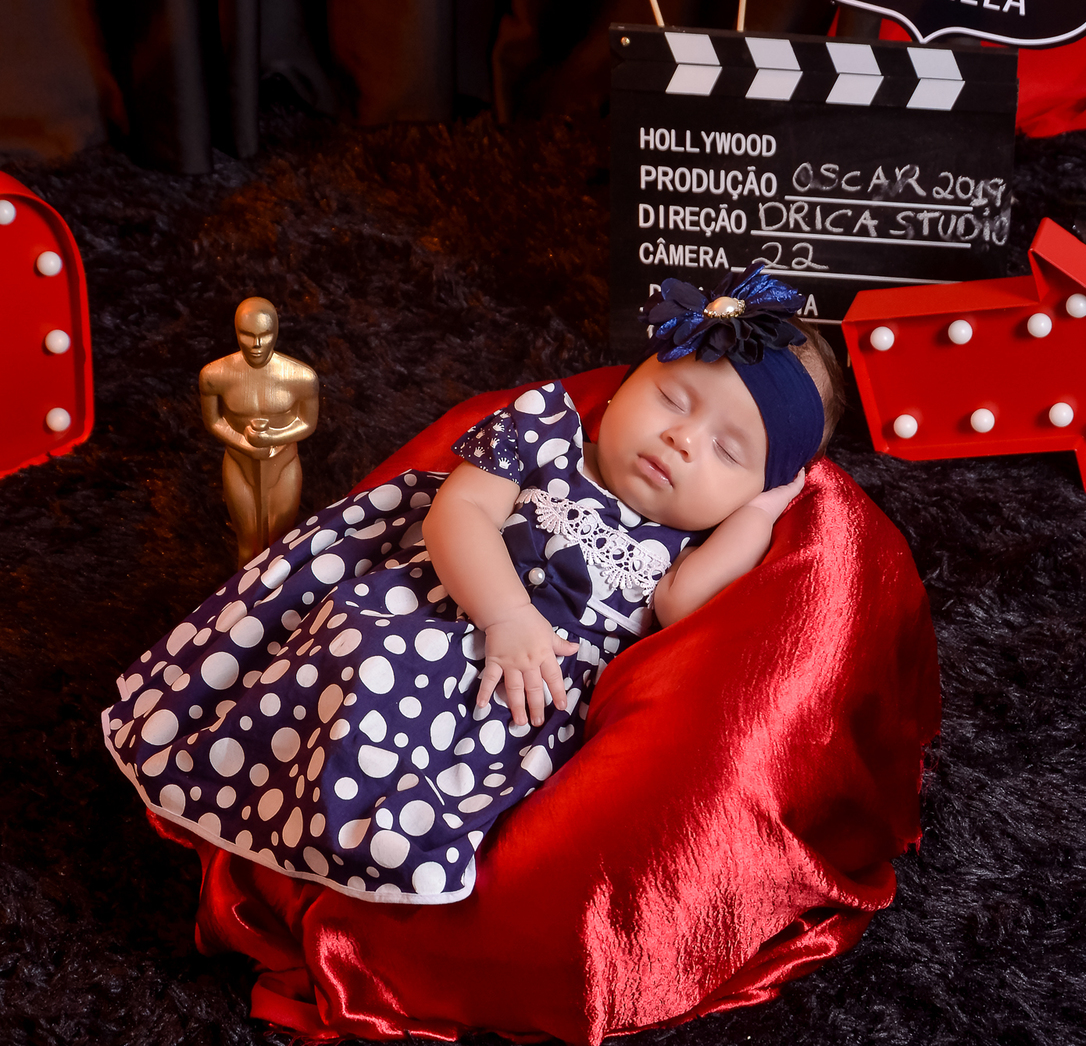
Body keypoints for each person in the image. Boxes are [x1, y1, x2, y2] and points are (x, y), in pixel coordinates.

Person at [103, 267, 844, 905]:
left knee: (510, 773)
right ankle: (261, 778)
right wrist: (505, 615)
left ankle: (386, 837)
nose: (684, 440)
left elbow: (684, 607)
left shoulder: (682, 548)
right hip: (445, 601)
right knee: (372, 648)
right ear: (622, 390)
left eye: (728, 451)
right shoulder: (548, 433)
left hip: (528, 694)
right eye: (674, 400)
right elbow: (458, 516)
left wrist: (760, 512)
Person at [199, 297, 320, 567]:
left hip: (284, 463)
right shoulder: (214, 375)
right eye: (247, 335)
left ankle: (278, 603)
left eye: (264, 335)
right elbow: (214, 421)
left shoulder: (301, 377)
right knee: (248, 545)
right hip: (239, 463)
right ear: (236, 333)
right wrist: (244, 443)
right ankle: (244, 604)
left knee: (281, 544)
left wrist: (272, 439)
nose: (256, 345)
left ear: (275, 332)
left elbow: (307, 423)